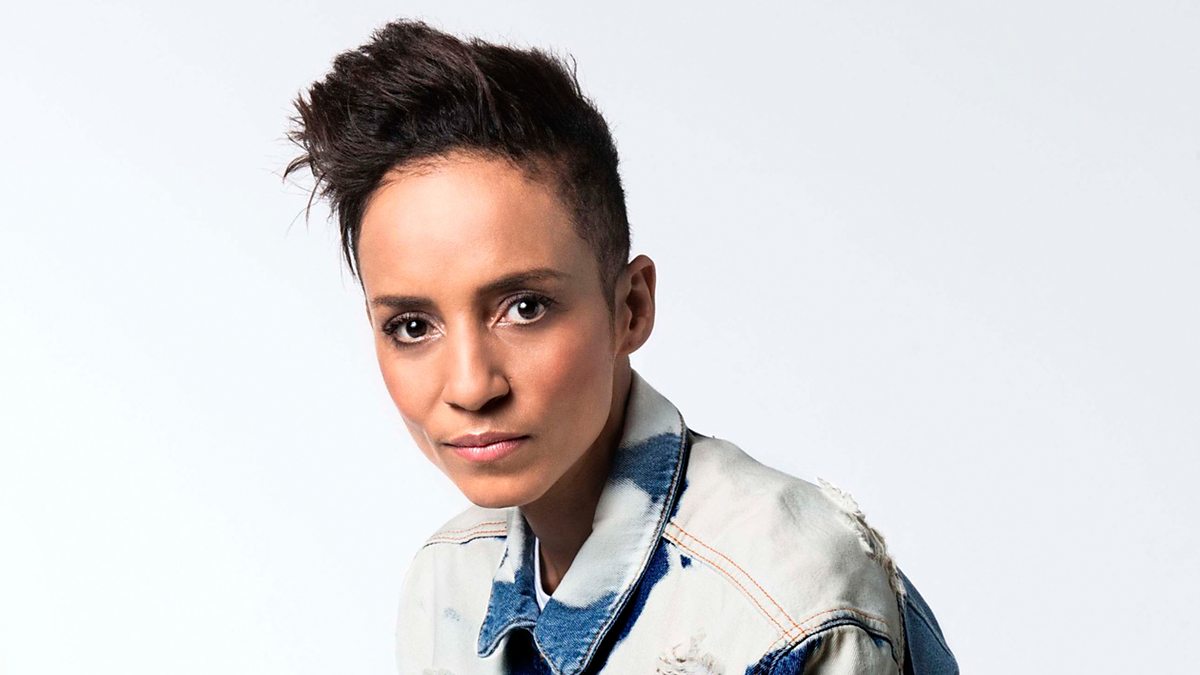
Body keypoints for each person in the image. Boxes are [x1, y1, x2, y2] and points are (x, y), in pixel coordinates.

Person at [283, 18, 958, 674]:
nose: (470, 385)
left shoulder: (788, 601)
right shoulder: (447, 584)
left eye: (525, 308)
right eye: (411, 326)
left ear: (630, 308)